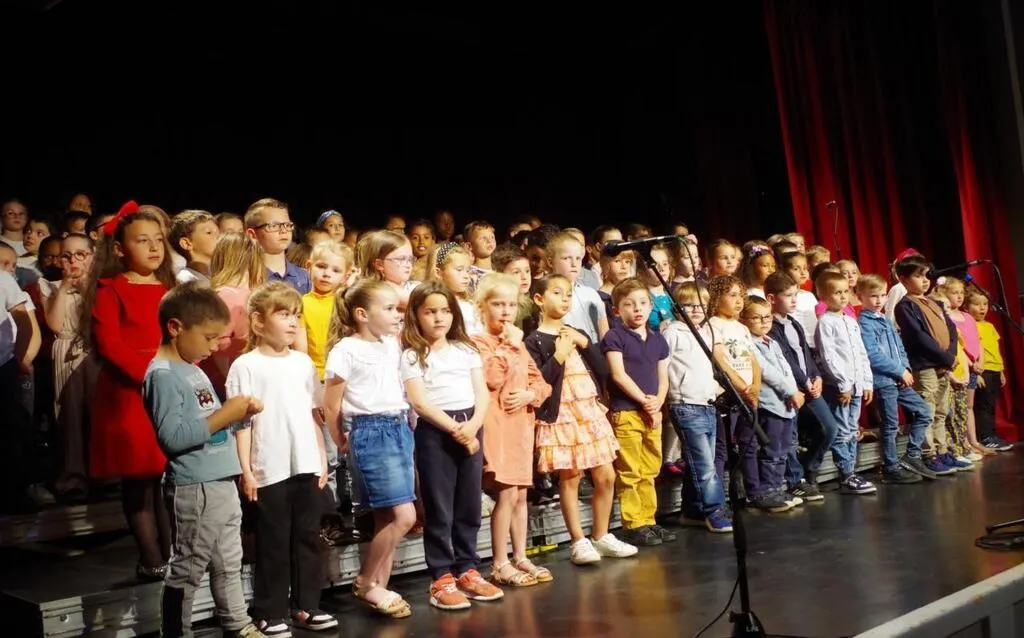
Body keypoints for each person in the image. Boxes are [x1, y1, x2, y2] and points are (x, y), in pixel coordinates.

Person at [142, 283, 266, 638]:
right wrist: (227, 413)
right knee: (188, 566)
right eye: (209, 337)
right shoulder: (163, 375)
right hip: (195, 485)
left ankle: (237, 623)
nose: (214, 346)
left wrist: (240, 414)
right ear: (175, 327)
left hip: (219, 480)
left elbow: (209, 425)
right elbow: (173, 437)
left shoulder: (191, 368)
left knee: (229, 560)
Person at [227, 281, 335, 635]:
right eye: (284, 314)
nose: (292, 322)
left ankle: (307, 605)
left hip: (305, 462)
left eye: (296, 315)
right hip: (268, 466)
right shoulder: (246, 366)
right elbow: (241, 423)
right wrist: (246, 470)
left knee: (308, 536)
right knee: (273, 541)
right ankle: (269, 610)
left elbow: (314, 414)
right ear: (259, 322)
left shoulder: (303, 364)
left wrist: (321, 458)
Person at [78, 201, 177, 579]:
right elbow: (111, 345)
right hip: (130, 394)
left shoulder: (169, 290)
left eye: (158, 240)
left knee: (165, 480)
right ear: (120, 249)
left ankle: (173, 556)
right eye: (142, 240)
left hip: (167, 390)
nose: (153, 247)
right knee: (139, 479)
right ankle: (151, 558)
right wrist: (153, 375)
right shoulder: (110, 289)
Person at [400, 282, 505, 610]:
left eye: (445, 311)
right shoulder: (413, 355)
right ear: (416, 315)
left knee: (469, 503)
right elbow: (419, 401)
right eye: (430, 312)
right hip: (436, 430)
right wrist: (456, 430)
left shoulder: (465, 349)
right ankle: (441, 575)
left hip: (470, 425)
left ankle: (468, 568)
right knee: (440, 505)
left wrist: (472, 427)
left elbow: (482, 393)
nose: (439, 318)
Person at [525, 275, 637, 564]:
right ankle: (578, 540)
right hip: (562, 413)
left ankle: (601, 535)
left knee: (606, 475)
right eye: (557, 293)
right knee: (571, 475)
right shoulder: (534, 340)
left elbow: (603, 370)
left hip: (588, 410)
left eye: (568, 294)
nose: (564, 299)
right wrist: (560, 355)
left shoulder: (575, 332)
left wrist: (585, 342)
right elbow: (540, 381)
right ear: (539, 299)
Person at [322, 280, 416, 619]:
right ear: (362, 314)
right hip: (370, 431)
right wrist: (341, 441)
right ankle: (364, 581)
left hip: (398, 428)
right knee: (405, 517)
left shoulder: (391, 343)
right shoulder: (346, 350)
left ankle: (380, 587)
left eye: (396, 308)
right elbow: (331, 405)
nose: (397, 314)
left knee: (386, 517)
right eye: (388, 309)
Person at [472, 274, 552, 586]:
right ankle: (499, 562)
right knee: (506, 493)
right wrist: (509, 345)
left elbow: (541, 383)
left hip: (521, 425)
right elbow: (492, 378)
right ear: (482, 307)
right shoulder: (479, 343)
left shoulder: (518, 346)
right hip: (498, 424)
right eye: (497, 304)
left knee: (520, 495)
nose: (505, 311)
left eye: (510, 305)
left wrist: (531, 395)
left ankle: (520, 555)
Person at [601, 278, 673, 546]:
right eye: (629, 305)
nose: (637, 309)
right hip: (627, 411)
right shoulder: (615, 337)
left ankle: (648, 518)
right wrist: (644, 400)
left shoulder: (657, 340)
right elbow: (618, 375)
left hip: (652, 412)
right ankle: (633, 523)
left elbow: (663, 376)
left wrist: (658, 402)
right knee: (630, 470)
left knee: (650, 468)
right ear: (617, 310)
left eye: (643, 303)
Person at [663, 282, 732, 532]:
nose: (695, 310)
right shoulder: (673, 333)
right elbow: (663, 367)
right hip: (686, 404)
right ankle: (714, 510)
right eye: (688, 305)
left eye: (699, 305)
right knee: (705, 465)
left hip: (707, 403)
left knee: (702, 461)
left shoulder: (704, 332)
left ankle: (692, 510)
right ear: (676, 308)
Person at [763, 272, 837, 501]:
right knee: (790, 437)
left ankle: (809, 468)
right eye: (788, 295)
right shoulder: (770, 327)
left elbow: (806, 354)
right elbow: (785, 360)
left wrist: (816, 376)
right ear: (772, 298)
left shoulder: (794, 323)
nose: (794, 300)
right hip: (791, 389)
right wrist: (804, 381)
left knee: (829, 428)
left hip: (809, 386)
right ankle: (795, 480)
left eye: (795, 294)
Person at [856, 273, 934, 483]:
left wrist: (905, 369)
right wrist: (898, 371)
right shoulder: (864, 323)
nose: (879, 300)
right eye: (873, 296)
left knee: (924, 412)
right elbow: (872, 354)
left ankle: (912, 455)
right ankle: (891, 468)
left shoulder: (884, 319)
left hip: (899, 378)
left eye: (882, 295)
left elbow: (899, 347)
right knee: (890, 425)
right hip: (884, 381)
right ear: (860, 296)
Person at [892, 256, 963, 474]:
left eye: (926, 275)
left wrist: (951, 354)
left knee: (942, 410)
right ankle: (928, 454)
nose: (925, 280)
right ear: (903, 279)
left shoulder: (935, 303)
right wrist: (944, 357)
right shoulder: (905, 306)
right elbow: (918, 336)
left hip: (943, 363)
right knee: (928, 410)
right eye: (918, 276)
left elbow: (951, 330)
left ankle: (942, 451)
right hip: (924, 364)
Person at [43, 233, 99, 499]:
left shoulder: (101, 285)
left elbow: (99, 317)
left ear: (92, 257)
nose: (73, 261)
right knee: (69, 415)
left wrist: (85, 286)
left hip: (95, 351)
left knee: (98, 414)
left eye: (80, 255)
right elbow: (54, 324)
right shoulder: (50, 286)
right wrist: (65, 288)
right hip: (66, 349)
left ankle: (105, 476)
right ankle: (72, 478)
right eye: (67, 256)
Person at [814, 271, 876, 494]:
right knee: (842, 430)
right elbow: (829, 357)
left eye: (845, 291)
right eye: (836, 292)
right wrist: (843, 384)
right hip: (843, 387)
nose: (842, 296)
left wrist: (867, 382)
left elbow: (861, 353)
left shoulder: (850, 321)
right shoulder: (826, 322)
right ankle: (846, 472)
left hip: (857, 385)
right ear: (823, 296)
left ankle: (851, 470)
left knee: (852, 428)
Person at [741, 296, 803, 511]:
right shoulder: (749, 344)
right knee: (771, 451)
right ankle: (767, 490)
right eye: (756, 318)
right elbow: (767, 372)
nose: (764, 322)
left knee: (783, 449)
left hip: (785, 404)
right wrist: (790, 391)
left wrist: (794, 391)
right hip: (770, 404)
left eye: (767, 317)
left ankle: (777, 488)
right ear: (744, 320)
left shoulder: (772, 342)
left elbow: (786, 370)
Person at [938, 277, 990, 460]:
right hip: (960, 368)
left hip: (973, 369)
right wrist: (969, 362)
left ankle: (972, 441)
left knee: (969, 406)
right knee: (956, 408)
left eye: (961, 293)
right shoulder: (948, 317)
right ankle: (962, 443)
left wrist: (980, 361)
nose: (959, 296)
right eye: (954, 293)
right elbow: (959, 346)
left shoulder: (967, 317)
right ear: (944, 294)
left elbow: (978, 341)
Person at [966, 285, 1014, 452]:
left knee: (991, 404)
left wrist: (1001, 371)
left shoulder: (989, 326)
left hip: (994, 370)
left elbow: (995, 349)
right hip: (982, 370)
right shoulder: (971, 326)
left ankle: (991, 435)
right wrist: (975, 374)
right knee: (983, 406)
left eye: (985, 304)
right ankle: (985, 436)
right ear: (966, 306)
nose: (982, 308)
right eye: (977, 304)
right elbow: (971, 350)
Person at [547, 232, 609, 344]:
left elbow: (605, 334)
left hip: (594, 352)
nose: (574, 264)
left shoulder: (591, 294)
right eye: (566, 258)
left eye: (578, 258)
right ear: (551, 262)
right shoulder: (547, 296)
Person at [244, 198, 310, 294]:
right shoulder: (246, 279)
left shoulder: (304, 277)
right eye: (273, 226)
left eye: (287, 225)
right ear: (252, 234)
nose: (283, 230)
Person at [426, 242, 483, 335]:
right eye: (459, 270)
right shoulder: (432, 303)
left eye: (468, 270)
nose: (466, 276)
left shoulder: (470, 303)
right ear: (438, 273)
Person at [357, 229, 417, 312]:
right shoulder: (385, 290)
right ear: (379, 264)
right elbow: (422, 303)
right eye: (401, 259)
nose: (408, 264)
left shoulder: (411, 284)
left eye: (410, 259)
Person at [171, 210, 220, 284]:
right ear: (186, 244)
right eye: (209, 233)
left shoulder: (219, 276)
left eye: (219, 233)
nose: (219, 237)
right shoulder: (185, 280)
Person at [463, 221, 498, 288]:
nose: (489, 241)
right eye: (483, 238)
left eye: (492, 237)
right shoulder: (470, 276)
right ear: (469, 246)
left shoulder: (499, 270)